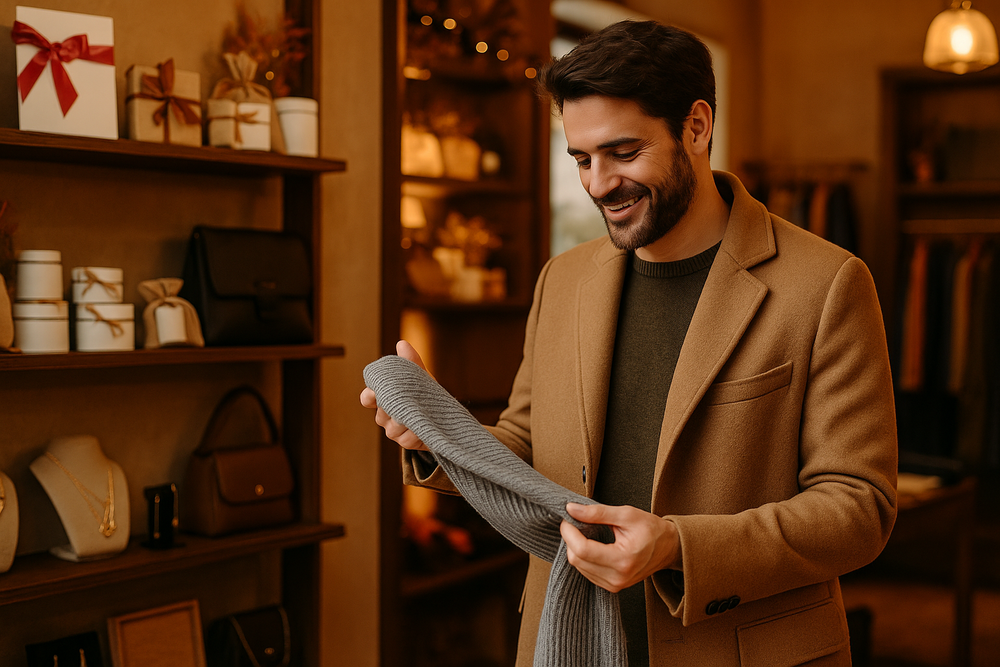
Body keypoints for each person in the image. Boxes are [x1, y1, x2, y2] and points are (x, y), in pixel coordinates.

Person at [362, 19, 897, 666]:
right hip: (567, 642)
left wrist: (676, 546)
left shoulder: (827, 283)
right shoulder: (562, 280)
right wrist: (435, 433)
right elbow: (527, 449)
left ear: (697, 127)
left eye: (622, 152)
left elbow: (859, 506)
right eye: (582, 159)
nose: (597, 183)